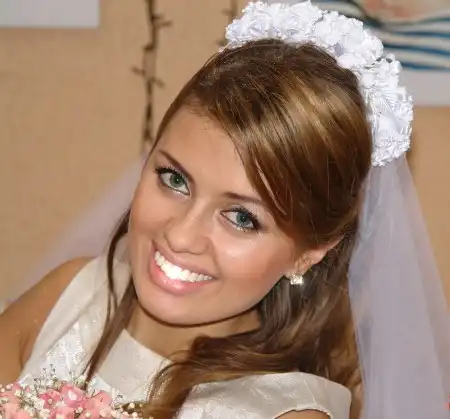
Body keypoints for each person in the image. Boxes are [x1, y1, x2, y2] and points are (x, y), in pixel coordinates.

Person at [1, 2, 449, 418]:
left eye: (242, 218)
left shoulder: (285, 413)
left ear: (310, 252)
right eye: (174, 180)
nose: (180, 236)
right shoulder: (68, 295)